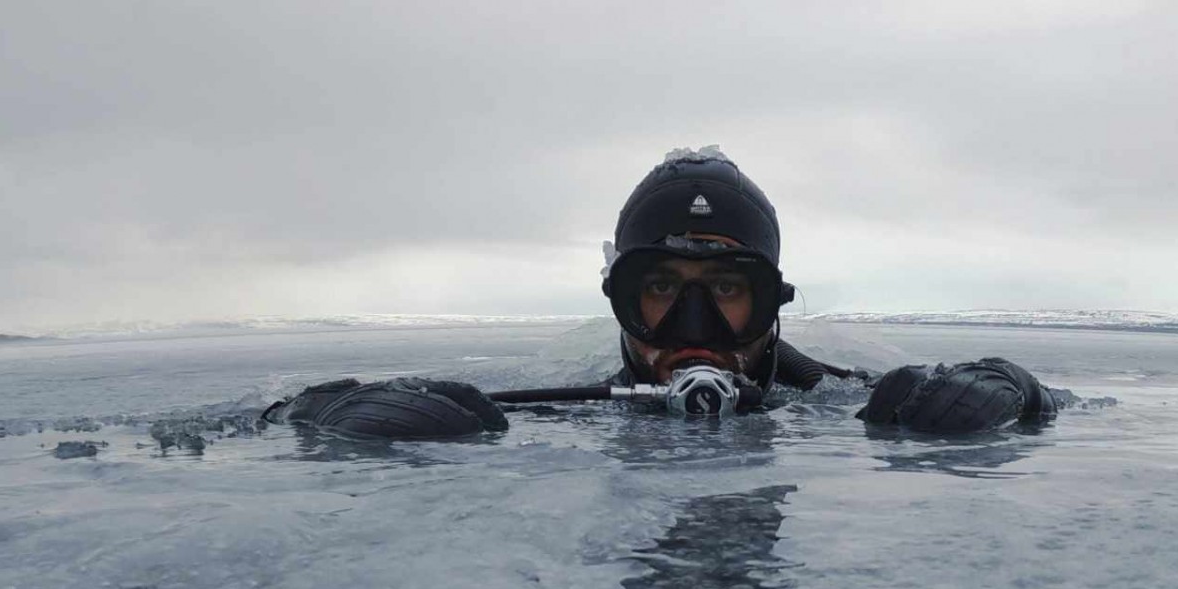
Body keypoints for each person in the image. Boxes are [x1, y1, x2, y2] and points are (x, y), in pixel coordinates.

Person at [265, 148, 1059, 439]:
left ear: (772, 304)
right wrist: (327, 410)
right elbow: (258, 416)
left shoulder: (836, 399)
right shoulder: (563, 397)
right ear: (618, 298)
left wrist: (1012, 385)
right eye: (657, 288)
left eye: (728, 288)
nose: (692, 323)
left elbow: (1058, 401)